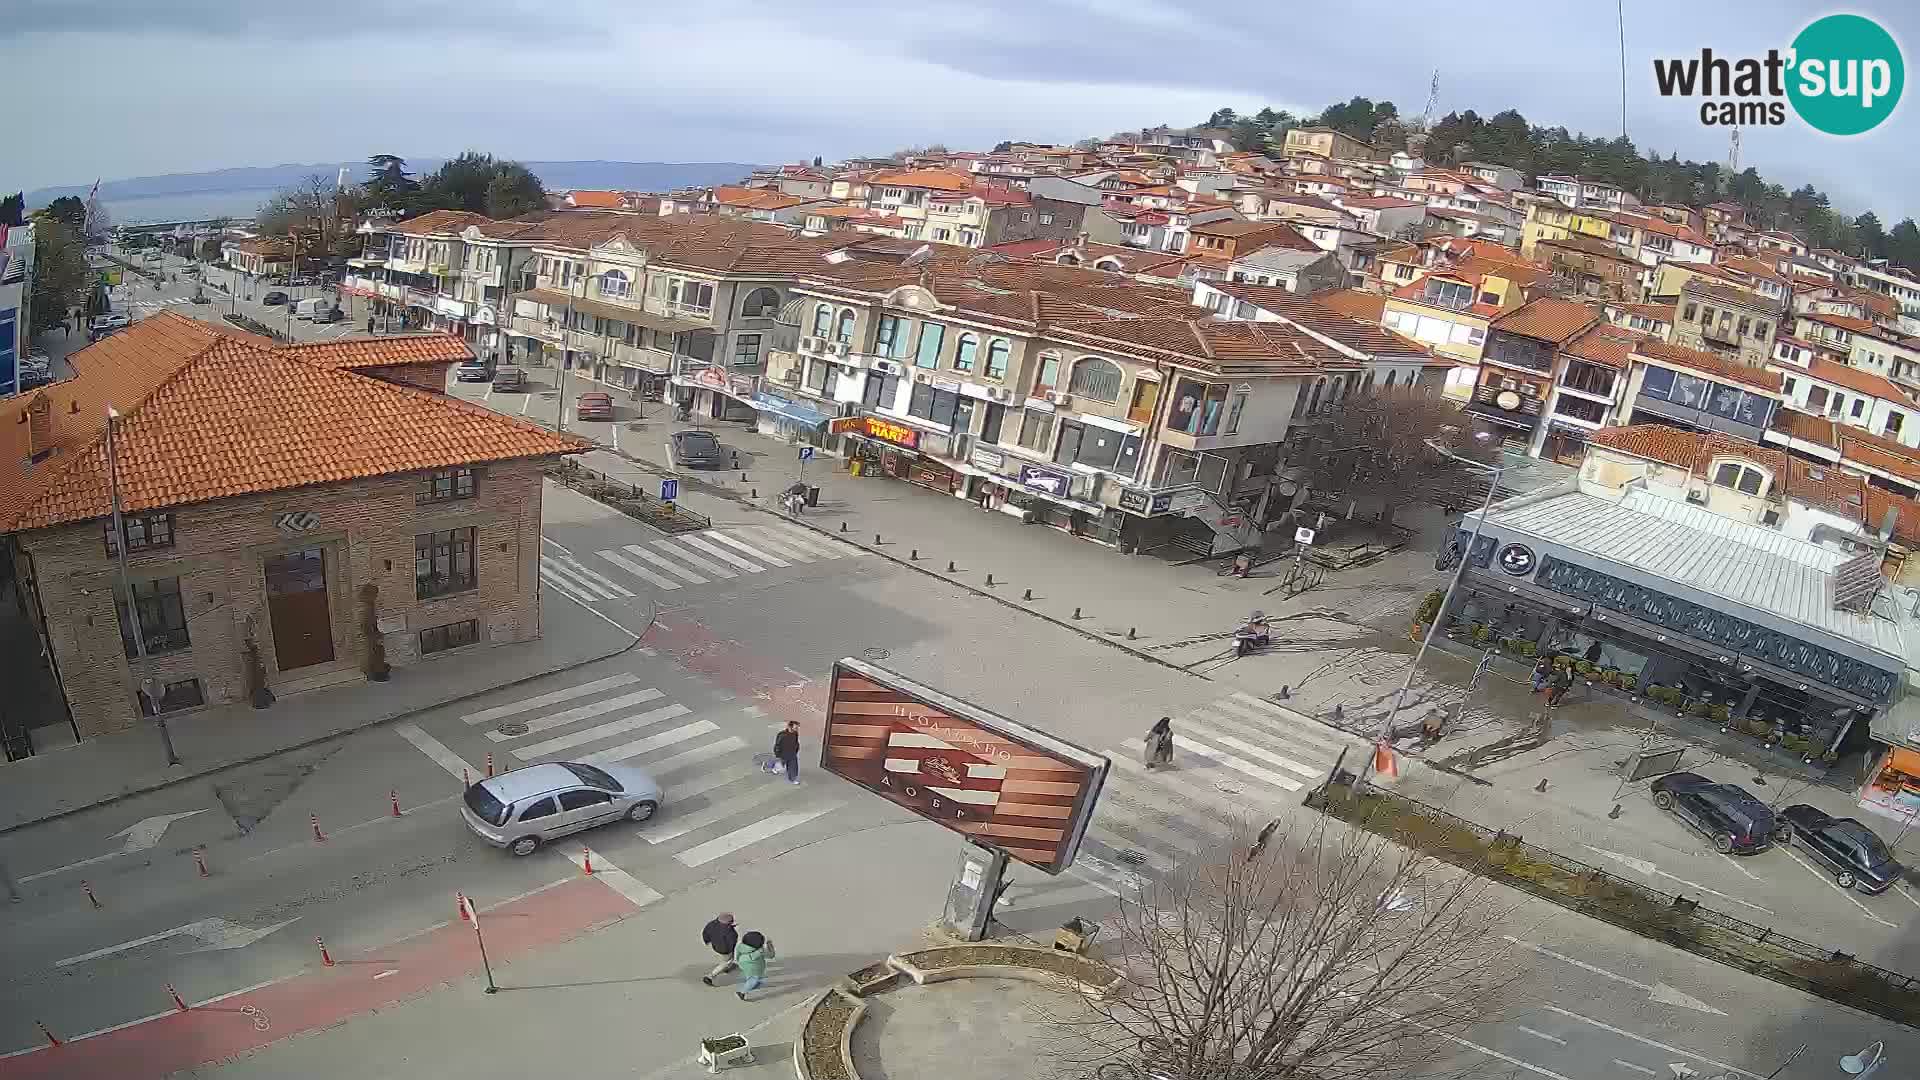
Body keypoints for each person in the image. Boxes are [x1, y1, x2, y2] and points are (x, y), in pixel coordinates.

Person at [700, 912, 739, 986]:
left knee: (725, 959)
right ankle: (710, 976)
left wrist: (707, 941)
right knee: (727, 961)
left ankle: (727, 968)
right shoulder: (731, 932)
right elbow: (732, 943)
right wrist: (731, 950)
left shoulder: (711, 924)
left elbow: (705, 932)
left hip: (715, 946)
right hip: (725, 950)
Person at [734, 930, 772, 1000]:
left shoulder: (740, 945)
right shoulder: (760, 951)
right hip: (754, 968)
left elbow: (737, 953)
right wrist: (770, 946)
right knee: (753, 979)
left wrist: (737, 960)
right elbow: (771, 955)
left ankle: (753, 983)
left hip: (743, 964)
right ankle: (742, 993)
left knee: (749, 975)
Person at [773, 720, 801, 784]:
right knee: (781, 764)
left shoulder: (795, 733)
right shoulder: (782, 735)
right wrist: (777, 754)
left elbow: (796, 741)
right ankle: (775, 768)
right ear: (790, 727)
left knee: (793, 766)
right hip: (783, 753)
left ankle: (793, 779)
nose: (797, 729)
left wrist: (797, 748)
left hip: (792, 753)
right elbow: (777, 745)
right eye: (796, 727)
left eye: (797, 727)